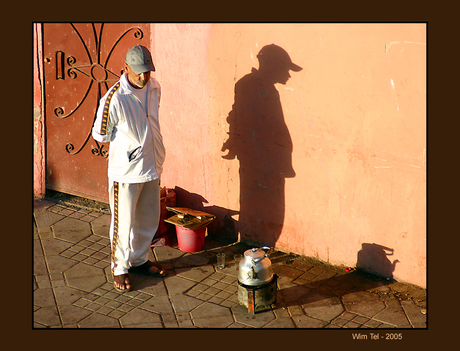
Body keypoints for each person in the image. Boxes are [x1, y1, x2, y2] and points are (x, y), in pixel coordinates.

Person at [92, 45, 167, 292]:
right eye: (138, 72)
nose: (143, 77)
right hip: (125, 172)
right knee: (123, 222)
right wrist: (123, 147)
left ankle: (139, 260)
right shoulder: (114, 98)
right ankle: (119, 268)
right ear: (125, 68)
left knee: (148, 218)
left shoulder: (154, 88)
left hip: (152, 165)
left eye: (147, 71)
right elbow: (101, 134)